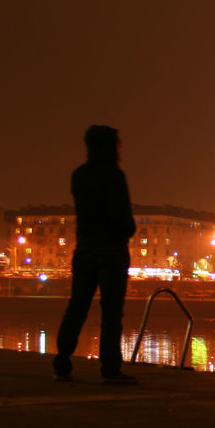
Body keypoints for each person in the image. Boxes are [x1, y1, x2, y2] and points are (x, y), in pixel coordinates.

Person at [53, 125, 138, 384]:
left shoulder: (78, 175)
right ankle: (110, 368)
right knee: (111, 313)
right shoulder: (114, 175)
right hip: (111, 251)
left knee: (76, 307)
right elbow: (121, 215)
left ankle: (62, 360)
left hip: (84, 249)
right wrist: (128, 229)